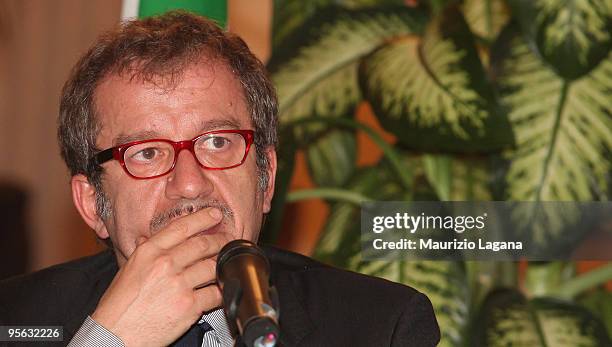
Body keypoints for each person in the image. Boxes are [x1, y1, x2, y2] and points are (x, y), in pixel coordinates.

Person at [0, 11, 440, 347]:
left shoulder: (380, 325)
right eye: (148, 153)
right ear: (93, 203)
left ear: (265, 181)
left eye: (217, 143)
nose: (190, 184)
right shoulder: (13, 318)